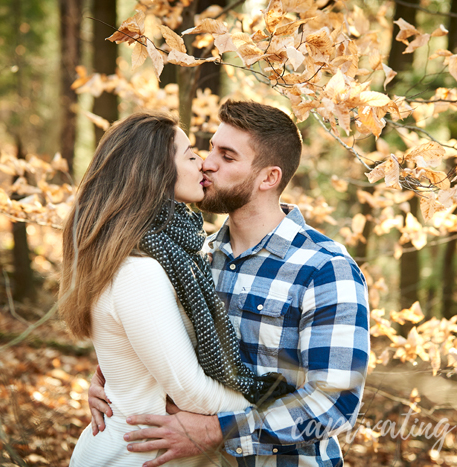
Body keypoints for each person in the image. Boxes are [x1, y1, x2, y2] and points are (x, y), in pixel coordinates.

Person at [88, 101, 371, 467]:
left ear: (268, 178)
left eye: (227, 156)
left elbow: (335, 404)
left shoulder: (324, 269)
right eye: (209, 149)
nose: (207, 163)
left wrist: (221, 428)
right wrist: (113, 384)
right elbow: (156, 350)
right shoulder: (194, 258)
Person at [60, 111, 294, 467]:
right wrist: (271, 410)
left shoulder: (178, 256)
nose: (204, 163)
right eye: (192, 155)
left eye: (224, 155)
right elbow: (187, 389)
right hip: (133, 455)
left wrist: (116, 380)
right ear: (156, 172)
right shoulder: (143, 267)